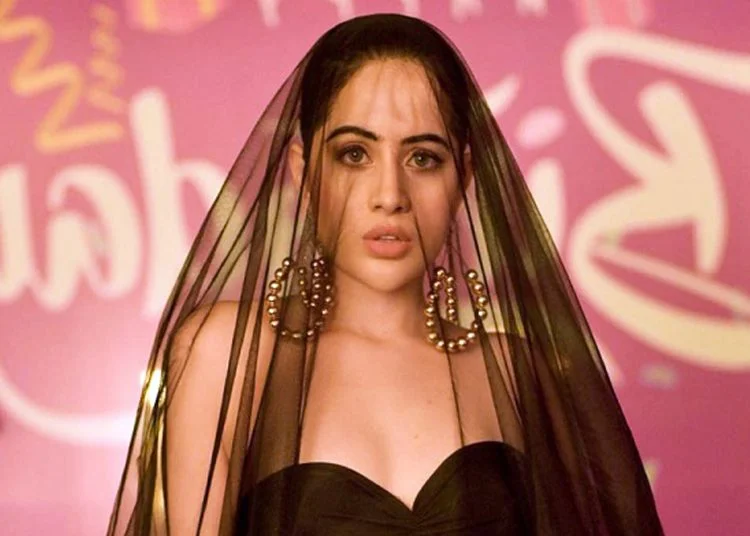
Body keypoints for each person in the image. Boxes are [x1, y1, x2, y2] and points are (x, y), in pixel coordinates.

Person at [107, 13, 664, 535]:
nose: (390, 195)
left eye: (423, 158)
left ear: (464, 176)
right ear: (304, 173)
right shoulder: (226, 353)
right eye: (354, 154)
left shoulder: (518, 372)